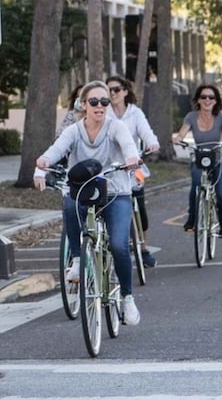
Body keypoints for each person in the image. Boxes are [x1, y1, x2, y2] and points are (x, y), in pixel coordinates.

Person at [34, 80, 143, 325]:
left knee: (118, 245)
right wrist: (42, 163)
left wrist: (132, 158)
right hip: (83, 191)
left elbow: (128, 146)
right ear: (83, 105)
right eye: (93, 101)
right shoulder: (74, 130)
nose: (99, 106)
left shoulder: (116, 127)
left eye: (104, 101)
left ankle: (127, 298)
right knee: (69, 203)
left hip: (116, 192)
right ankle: (76, 259)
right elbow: (56, 150)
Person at [105, 75, 160, 268]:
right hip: (111, 169)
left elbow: (146, 132)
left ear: (125, 92)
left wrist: (152, 143)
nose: (112, 93)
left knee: (139, 207)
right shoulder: (104, 113)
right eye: (109, 90)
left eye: (116, 89)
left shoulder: (135, 113)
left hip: (133, 168)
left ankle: (143, 248)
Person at [173, 84, 222, 237]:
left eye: (211, 97)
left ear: (216, 101)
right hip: (200, 159)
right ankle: (192, 217)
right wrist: (178, 139)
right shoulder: (191, 117)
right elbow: (181, 134)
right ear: (198, 100)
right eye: (203, 97)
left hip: (218, 160)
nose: (207, 100)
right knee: (196, 183)